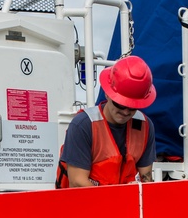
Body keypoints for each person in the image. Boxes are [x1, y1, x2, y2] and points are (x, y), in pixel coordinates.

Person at [57, 55, 157, 188]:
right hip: (86, 204)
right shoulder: (83, 126)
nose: (126, 112)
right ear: (107, 93)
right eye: (120, 104)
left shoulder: (145, 126)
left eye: (133, 107)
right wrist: (114, 204)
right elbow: (77, 182)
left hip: (125, 204)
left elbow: (146, 179)